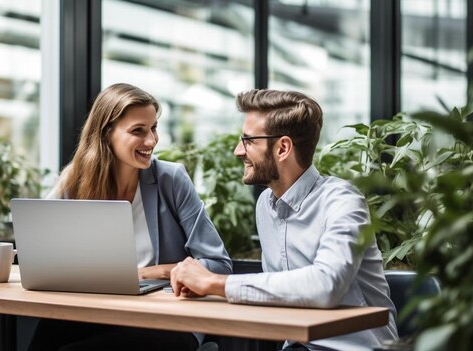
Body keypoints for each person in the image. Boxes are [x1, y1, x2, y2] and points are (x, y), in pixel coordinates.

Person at [170, 89, 399, 351]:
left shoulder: (342, 201)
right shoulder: (265, 206)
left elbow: (326, 284)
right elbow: (279, 296)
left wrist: (215, 283)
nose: (237, 151)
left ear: (282, 148)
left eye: (248, 141)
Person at [28, 83, 232, 351]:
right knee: (49, 331)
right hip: (105, 312)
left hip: (169, 319)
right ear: (106, 134)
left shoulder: (171, 179)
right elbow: (44, 256)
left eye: (154, 128)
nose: (151, 141)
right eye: (138, 131)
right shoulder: (77, 183)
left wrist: (146, 273)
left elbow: (219, 264)